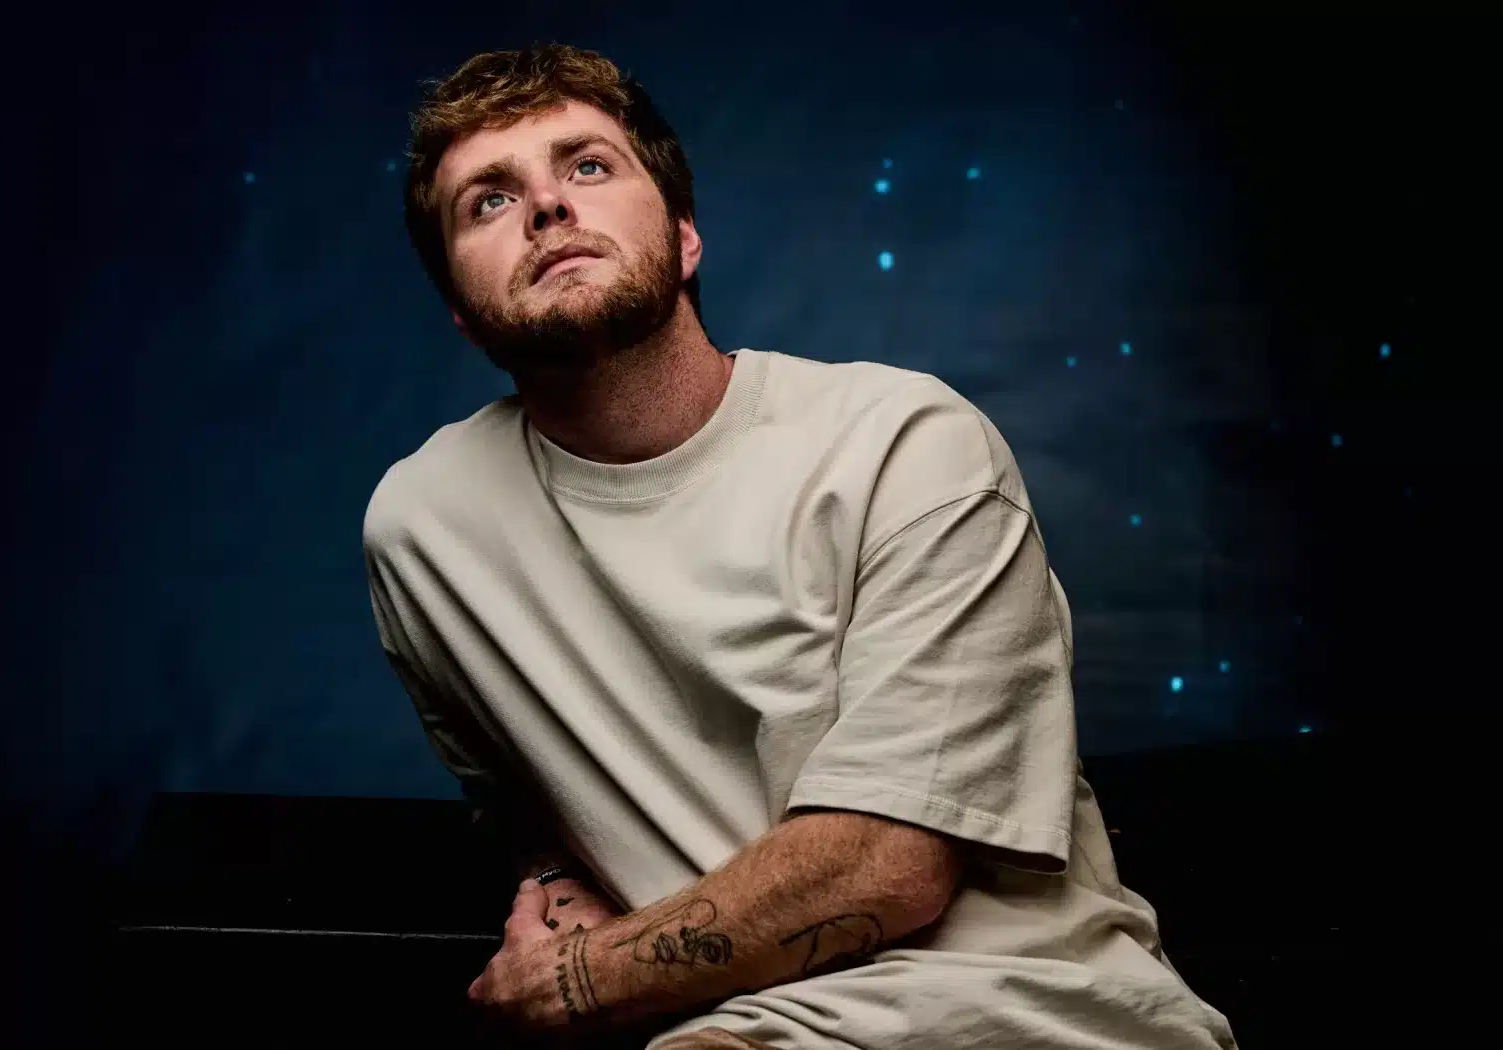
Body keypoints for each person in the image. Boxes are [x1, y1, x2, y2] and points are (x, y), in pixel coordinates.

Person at [362, 42, 1238, 1050]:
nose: (549, 207)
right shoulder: (427, 529)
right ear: (463, 316)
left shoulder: (905, 446)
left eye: (589, 166)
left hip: (1030, 1017)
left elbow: (886, 865)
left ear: (685, 235)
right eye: (488, 200)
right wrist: (554, 870)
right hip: (734, 1029)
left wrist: (585, 978)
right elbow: (515, 792)